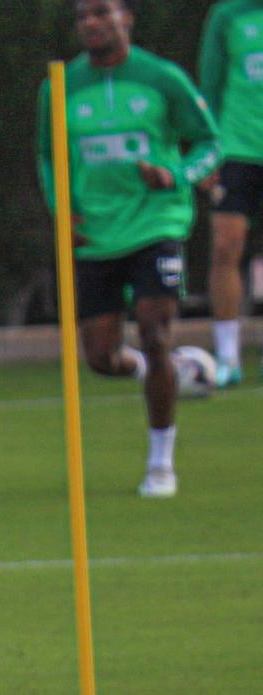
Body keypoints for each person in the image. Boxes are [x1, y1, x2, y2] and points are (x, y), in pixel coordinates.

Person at [38, 0, 220, 499]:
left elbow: (209, 143)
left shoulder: (162, 78)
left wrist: (176, 175)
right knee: (99, 357)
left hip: (156, 222)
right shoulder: (61, 85)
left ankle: (160, 462)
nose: (91, 24)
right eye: (82, 17)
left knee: (154, 328)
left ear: (127, 19)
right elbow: (47, 156)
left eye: (102, 13)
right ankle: (164, 371)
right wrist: (63, 209)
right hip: (96, 232)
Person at [198, 0, 263, 385]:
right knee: (226, 245)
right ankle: (227, 358)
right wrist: (209, 152)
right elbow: (210, 85)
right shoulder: (228, 13)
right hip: (237, 149)